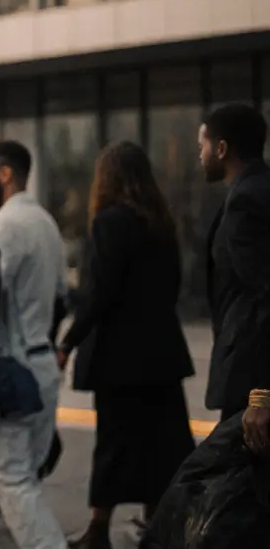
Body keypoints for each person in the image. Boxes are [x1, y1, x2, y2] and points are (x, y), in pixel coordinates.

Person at [56, 142, 196, 549]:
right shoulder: (162, 223)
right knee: (162, 442)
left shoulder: (109, 223)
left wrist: (68, 341)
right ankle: (157, 524)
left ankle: (98, 529)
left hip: (119, 355)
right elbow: (174, 284)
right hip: (162, 351)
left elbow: (99, 292)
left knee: (114, 441)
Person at [0, 141, 67, 548]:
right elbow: (62, 298)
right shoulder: (46, 223)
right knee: (25, 480)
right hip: (43, 365)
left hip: (13, 370)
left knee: (12, 480)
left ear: (5, 174)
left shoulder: (6, 226)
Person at [197, 103, 270, 422]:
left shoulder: (245, 201)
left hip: (251, 384)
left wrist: (262, 395)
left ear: (222, 149)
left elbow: (264, 300)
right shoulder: (257, 190)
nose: (200, 155)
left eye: (203, 146)